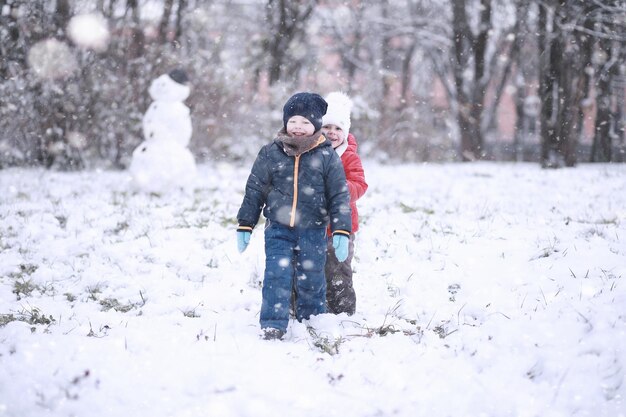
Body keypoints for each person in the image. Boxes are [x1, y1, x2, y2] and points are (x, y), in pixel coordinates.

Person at [236, 92, 352, 340]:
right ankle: (273, 323)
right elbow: (255, 189)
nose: (298, 127)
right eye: (294, 121)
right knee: (276, 274)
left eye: (306, 123)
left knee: (312, 276)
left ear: (316, 126)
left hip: (313, 228)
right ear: (286, 122)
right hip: (278, 228)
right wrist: (245, 223)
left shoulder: (326, 155)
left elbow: (339, 194)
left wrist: (342, 230)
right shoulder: (271, 152)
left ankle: (311, 319)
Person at [320, 92, 368, 316]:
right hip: (315, 225)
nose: (332, 132)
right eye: (327, 126)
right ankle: (315, 307)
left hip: (342, 228)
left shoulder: (349, 157)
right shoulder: (311, 154)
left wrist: (339, 187)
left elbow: (359, 184)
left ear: (346, 132)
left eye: (338, 128)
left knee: (339, 269)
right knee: (313, 268)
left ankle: (343, 311)